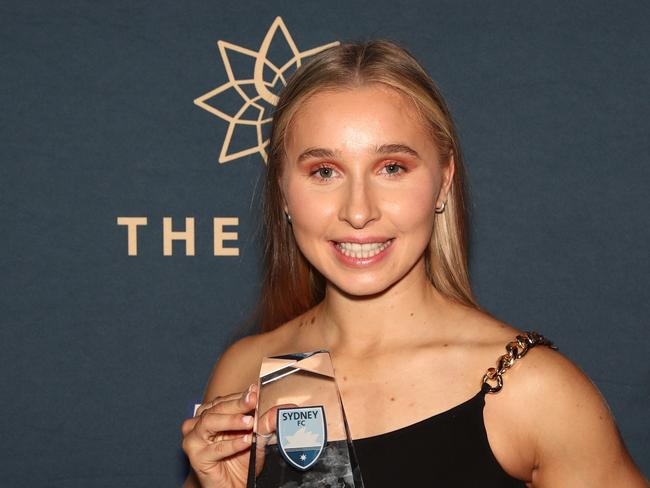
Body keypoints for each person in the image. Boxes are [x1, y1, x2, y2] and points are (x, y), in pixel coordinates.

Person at [181, 39, 647, 487]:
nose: (359, 211)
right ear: (283, 190)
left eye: (392, 168)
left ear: (444, 182)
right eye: (324, 172)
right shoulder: (246, 373)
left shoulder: (531, 389)